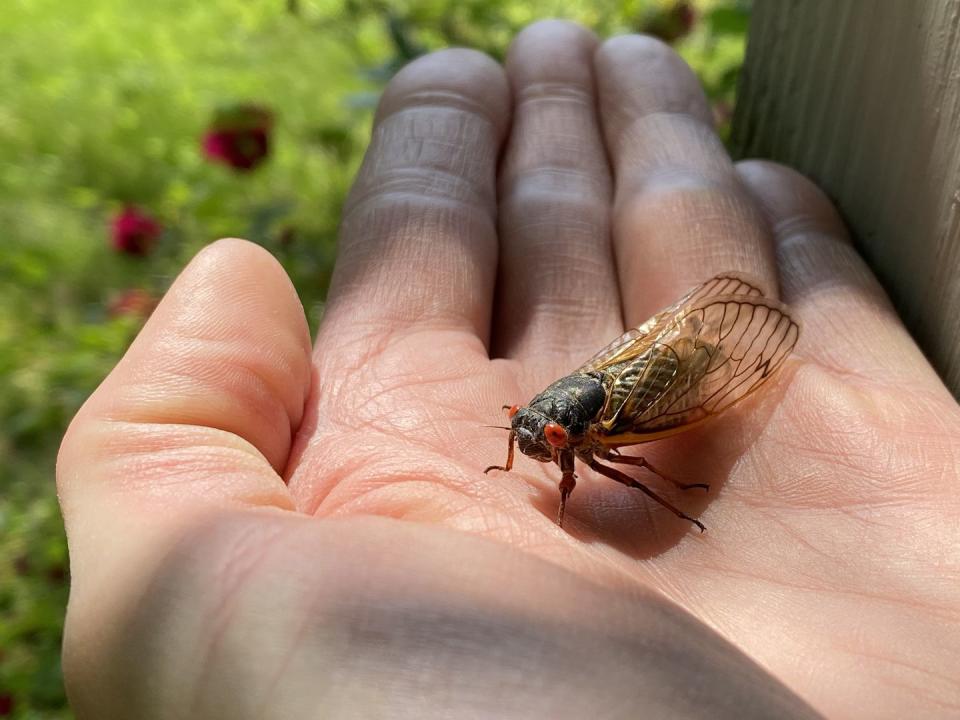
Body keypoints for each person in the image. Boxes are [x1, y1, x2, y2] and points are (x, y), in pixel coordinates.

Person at [57, 20, 960, 720]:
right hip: (619, 364)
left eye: (542, 435)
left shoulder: (595, 436)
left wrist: (670, 485)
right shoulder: (543, 426)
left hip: (658, 377)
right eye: (529, 432)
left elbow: (631, 453)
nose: (533, 445)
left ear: (569, 433)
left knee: (649, 450)